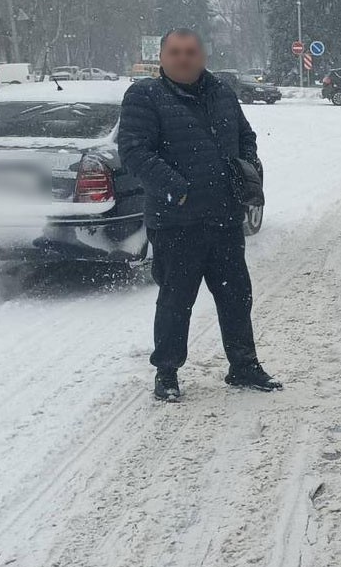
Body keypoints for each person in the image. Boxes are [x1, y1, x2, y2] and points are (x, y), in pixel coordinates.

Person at [118, 28, 282, 402]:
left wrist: (247, 169)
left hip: (224, 218)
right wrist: (177, 189)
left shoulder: (221, 92)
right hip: (177, 222)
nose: (183, 58)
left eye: (190, 52)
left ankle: (243, 366)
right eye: (175, 52)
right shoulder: (145, 96)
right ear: (162, 58)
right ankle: (167, 372)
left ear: (203, 56)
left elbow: (245, 136)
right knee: (177, 300)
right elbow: (134, 151)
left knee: (236, 296)